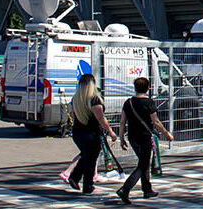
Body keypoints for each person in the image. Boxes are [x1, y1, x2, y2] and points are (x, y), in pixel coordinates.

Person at [115, 77, 173, 205]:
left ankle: (147, 189)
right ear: (148, 88)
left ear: (135, 88)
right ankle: (125, 189)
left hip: (132, 136)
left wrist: (121, 138)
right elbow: (155, 121)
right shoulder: (149, 103)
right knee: (143, 165)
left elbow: (122, 121)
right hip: (145, 136)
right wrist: (166, 133)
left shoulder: (128, 102)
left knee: (143, 162)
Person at [67, 74, 118, 194]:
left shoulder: (76, 99)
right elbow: (101, 118)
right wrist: (111, 132)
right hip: (91, 133)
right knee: (91, 159)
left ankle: (75, 177)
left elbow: (74, 117)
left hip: (78, 132)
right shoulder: (94, 99)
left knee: (86, 156)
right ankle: (87, 185)